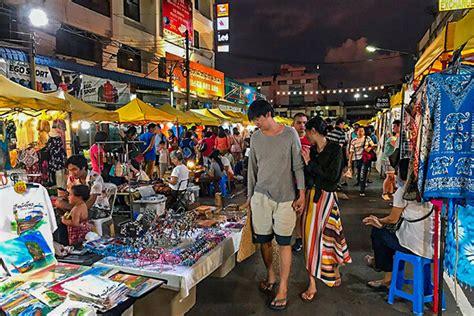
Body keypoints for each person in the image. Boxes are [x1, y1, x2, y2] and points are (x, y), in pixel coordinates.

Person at [245, 100, 305, 311]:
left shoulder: (290, 134)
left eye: (258, 118)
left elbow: (298, 166)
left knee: (285, 243)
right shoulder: (255, 137)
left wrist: (302, 194)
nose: (256, 123)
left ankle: (283, 288)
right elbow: (252, 168)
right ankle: (270, 273)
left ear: (268, 114)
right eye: (254, 120)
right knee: (264, 241)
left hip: (286, 197)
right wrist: (250, 196)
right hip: (261, 196)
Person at [300, 116, 352, 301]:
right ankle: (312, 282)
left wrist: (309, 164)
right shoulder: (313, 151)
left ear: (313, 131)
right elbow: (311, 177)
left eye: (306, 131)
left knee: (330, 238)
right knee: (310, 241)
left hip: (327, 200)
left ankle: (334, 269)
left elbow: (332, 178)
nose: (305, 135)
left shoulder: (335, 150)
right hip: (312, 199)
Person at [363, 176, 434, 290]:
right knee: (389, 235)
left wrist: (378, 220)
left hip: (415, 246)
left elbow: (393, 219)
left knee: (379, 232)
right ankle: (381, 268)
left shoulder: (404, 190)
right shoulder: (431, 188)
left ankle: (383, 271)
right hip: (435, 247)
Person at [291, 112, 309, 252]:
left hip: (309, 182)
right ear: (293, 124)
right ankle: (299, 238)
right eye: (299, 122)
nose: (302, 125)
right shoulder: (289, 141)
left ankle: (307, 238)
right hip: (293, 183)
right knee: (298, 212)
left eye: (304, 122)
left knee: (308, 212)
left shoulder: (311, 141)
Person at [349, 126, 375, 197]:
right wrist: (349, 162)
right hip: (357, 159)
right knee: (358, 173)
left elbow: (373, 145)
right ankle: (360, 184)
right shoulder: (353, 141)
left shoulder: (367, 138)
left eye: (362, 131)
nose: (360, 132)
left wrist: (369, 149)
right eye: (359, 131)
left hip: (365, 159)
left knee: (362, 174)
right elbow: (351, 152)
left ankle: (362, 190)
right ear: (356, 132)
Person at [382, 120, 401, 201]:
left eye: (395, 126)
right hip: (388, 159)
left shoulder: (395, 137)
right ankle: (385, 193)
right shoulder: (392, 138)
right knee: (389, 176)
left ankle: (390, 192)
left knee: (392, 177)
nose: (393, 128)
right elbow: (396, 145)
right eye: (393, 127)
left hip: (392, 159)